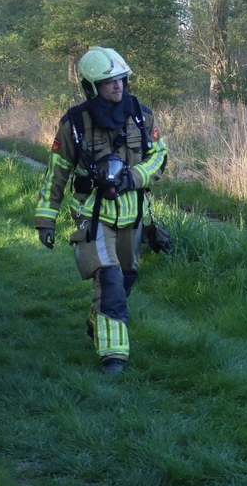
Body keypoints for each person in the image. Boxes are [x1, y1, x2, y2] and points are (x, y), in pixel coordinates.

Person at [34, 47, 168, 374]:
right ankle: (114, 358)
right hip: (91, 217)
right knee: (108, 280)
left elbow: (160, 157)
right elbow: (57, 173)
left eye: (121, 79)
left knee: (123, 282)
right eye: (108, 82)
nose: (118, 86)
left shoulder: (141, 115)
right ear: (91, 87)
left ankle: (99, 319)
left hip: (133, 216)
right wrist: (45, 219)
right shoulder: (73, 124)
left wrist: (134, 176)